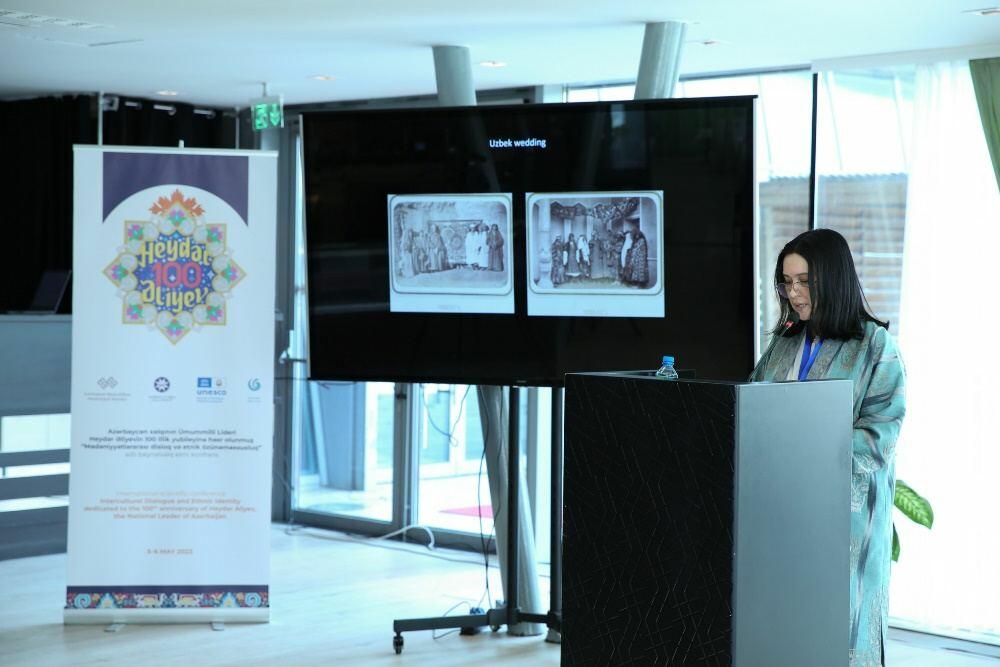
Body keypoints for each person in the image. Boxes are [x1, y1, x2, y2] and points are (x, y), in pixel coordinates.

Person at [750, 228, 905, 667]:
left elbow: (881, 435)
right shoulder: (784, 342)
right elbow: (755, 403)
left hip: (845, 523)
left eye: (804, 281)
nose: (794, 293)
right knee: (784, 628)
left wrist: (807, 448)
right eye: (787, 282)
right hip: (784, 513)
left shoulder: (875, 346)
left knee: (841, 633)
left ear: (833, 280)